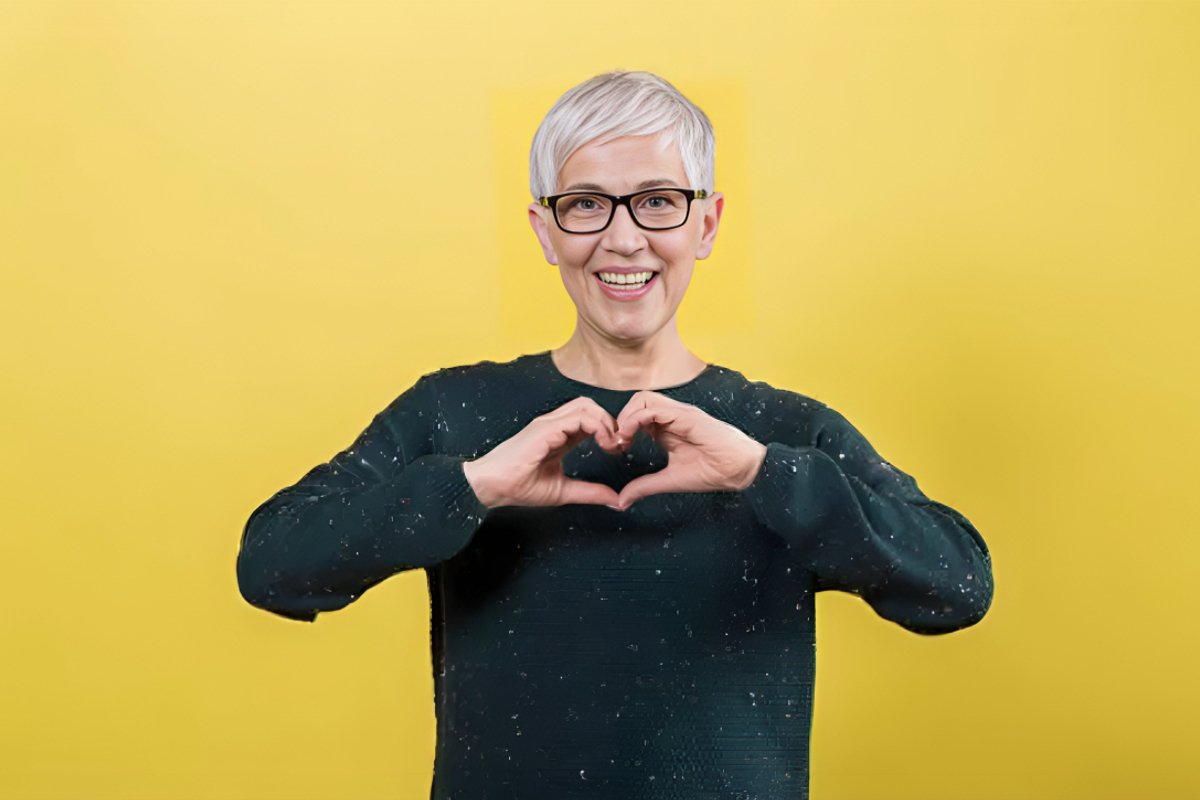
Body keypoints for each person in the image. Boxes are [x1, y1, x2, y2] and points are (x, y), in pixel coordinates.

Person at [237, 70, 993, 799]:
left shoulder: (783, 432)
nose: (624, 239)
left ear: (707, 224)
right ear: (544, 228)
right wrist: (476, 485)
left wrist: (765, 475)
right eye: (587, 204)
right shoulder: (454, 412)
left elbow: (957, 584)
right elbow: (272, 563)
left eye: (658, 202)